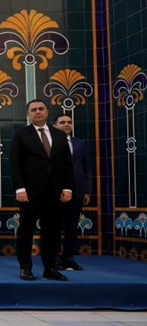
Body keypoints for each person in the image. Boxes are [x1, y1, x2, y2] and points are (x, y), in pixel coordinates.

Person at [10, 99, 74, 281]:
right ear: (28, 114)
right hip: (29, 192)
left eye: (41, 109)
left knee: (52, 231)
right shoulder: (21, 135)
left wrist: (67, 188)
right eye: (33, 110)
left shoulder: (59, 135)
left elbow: (67, 164)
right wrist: (20, 189)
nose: (37, 112)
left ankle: (50, 268)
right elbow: (15, 164)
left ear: (47, 112)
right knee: (26, 230)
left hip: (54, 192)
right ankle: (25, 267)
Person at [53, 114, 91, 271]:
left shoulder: (80, 144)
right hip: (55, 192)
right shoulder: (49, 143)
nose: (66, 124)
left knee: (72, 227)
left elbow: (87, 167)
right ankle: (54, 259)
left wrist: (87, 190)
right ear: (55, 126)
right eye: (62, 122)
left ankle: (68, 258)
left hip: (77, 191)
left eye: (69, 122)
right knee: (54, 227)